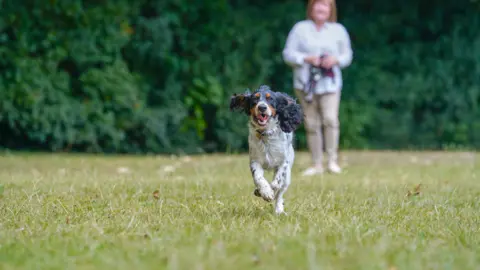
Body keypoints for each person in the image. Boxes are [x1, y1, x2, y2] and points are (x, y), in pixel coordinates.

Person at [282, 0, 353, 176]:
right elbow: (288, 54)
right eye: (318, 4)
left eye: (325, 5)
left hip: (330, 84)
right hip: (306, 84)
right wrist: (307, 58)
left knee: (330, 119)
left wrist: (335, 60)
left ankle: (332, 161)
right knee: (311, 123)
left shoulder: (338, 30)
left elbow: (347, 55)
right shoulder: (300, 29)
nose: (321, 8)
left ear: (331, 9)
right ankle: (316, 164)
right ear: (311, 8)